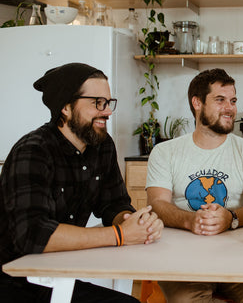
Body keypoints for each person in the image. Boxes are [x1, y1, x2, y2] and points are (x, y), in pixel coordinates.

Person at [0, 63, 163, 303]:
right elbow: (33, 235)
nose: (107, 111)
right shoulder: (33, 151)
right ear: (65, 107)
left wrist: (134, 222)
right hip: (13, 281)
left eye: (108, 103)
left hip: (57, 273)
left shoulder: (102, 145)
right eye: (97, 102)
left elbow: (114, 204)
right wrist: (119, 235)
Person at [146, 68, 243, 303]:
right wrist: (190, 221)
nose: (230, 108)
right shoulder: (164, 152)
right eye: (220, 100)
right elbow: (157, 204)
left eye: (232, 101)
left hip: (241, 259)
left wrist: (230, 218)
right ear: (197, 103)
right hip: (182, 260)